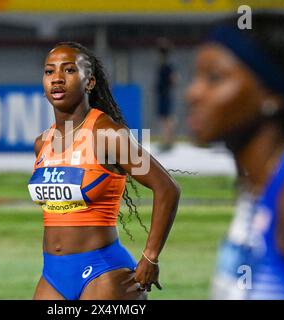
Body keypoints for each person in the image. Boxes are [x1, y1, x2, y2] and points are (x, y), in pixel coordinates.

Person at [29, 42, 180, 300]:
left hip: (104, 273)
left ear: (89, 82)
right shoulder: (42, 143)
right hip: (53, 274)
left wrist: (150, 256)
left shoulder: (108, 135)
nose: (56, 79)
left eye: (68, 70)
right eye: (49, 71)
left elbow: (167, 188)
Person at [186, 12, 284, 299]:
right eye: (196, 77)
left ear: (271, 95)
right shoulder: (259, 189)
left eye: (214, 78)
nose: (193, 93)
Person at [155, 39, 177, 151]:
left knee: (166, 118)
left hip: (165, 94)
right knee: (165, 118)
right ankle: (167, 140)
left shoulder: (167, 65)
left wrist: (167, 86)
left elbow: (174, 79)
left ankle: (168, 141)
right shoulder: (164, 64)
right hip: (164, 93)